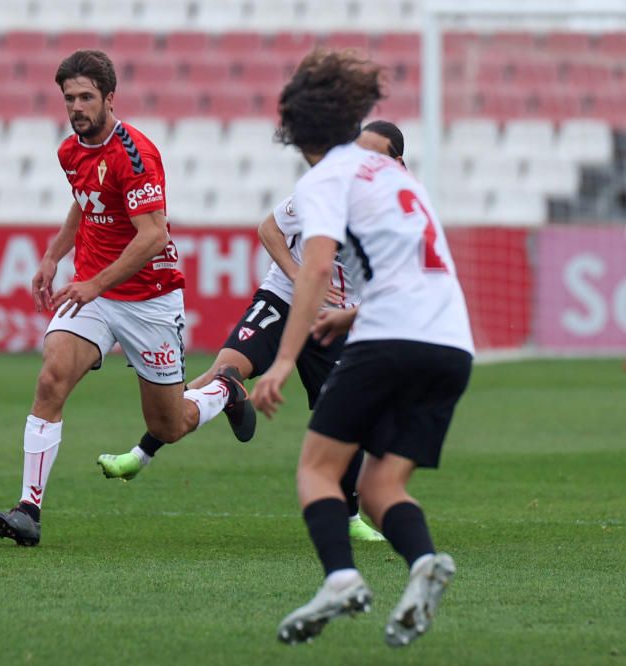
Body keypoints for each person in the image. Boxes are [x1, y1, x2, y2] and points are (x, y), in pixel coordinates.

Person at [0, 50, 255, 547]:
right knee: (52, 378)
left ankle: (223, 390)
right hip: (95, 291)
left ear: (110, 98)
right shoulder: (70, 151)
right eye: (69, 98)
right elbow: (86, 203)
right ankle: (28, 510)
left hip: (149, 300)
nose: (77, 107)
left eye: (87, 97)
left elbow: (153, 236)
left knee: (169, 426)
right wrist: (52, 256)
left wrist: (93, 284)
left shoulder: (136, 154)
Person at [249, 49, 474, 648]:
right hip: (451, 343)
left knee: (318, 469)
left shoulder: (326, 178)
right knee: (379, 489)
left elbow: (315, 268)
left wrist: (286, 359)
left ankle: (341, 578)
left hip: (391, 337)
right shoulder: (400, 177)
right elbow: (422, 268)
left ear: (294, 131)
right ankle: (424, 562)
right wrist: (351, 314)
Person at [96, 123, 410, 544]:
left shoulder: (403, 217)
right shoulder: (326, 189)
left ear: (398, 164)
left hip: (339, 319)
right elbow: (269, 228)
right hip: (283, 298)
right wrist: (300, 279)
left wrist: (348, 313)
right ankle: (141, 454)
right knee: (224, 370)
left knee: (347, 415)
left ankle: (350, 516)